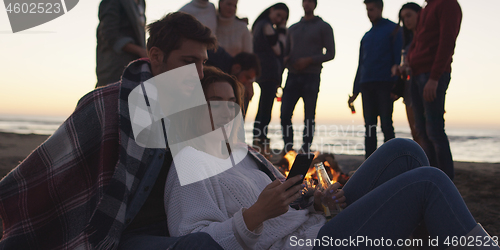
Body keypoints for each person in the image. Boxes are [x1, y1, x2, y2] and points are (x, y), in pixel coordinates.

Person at [164, 67, 498, 250]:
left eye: (231, 102)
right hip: (308, 245)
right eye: (214, 101)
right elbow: (193, 241)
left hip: (316, 224)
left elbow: (288, 205)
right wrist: (253, 216)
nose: (226, 110)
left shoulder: (243, 154)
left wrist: (316, 199)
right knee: (429, 181)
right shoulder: (189, 166)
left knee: (405, 151)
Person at [0, 12, 223, 250]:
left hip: (176, 224)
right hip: (117, 232)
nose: (199, 74)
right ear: (156, 56)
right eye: (189, 62)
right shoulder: (107, 105)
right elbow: (46, 171)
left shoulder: (191, 110)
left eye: (203, 63)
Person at [407, 0, 462, 180]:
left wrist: (434, 78)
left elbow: (447, 42)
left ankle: (446, 181)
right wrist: (408, 61)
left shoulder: (448, 4)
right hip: (416, 75)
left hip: (431, 75)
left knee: (435, 130)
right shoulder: (426, 9)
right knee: (421, 131)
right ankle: (432, 177)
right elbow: (417, 40)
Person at [348, 0, 403, 159]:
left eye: (371, 9)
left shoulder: (393, 30)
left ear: (380, 9)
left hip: (385, 83)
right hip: (366, 84)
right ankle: (369, 163)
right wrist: (354, 91)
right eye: (367, 9)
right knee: (369, 127)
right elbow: (361, 65)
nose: (369, 13)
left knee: (386, 124)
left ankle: (392, 161)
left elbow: (398, 59)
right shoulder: (366, 36)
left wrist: (397, 86)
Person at [280, 0, 335, 154]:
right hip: (292, 75)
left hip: (312, 76)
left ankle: (305, 150)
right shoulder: (293, 28)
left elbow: (331, 53)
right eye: (304, 1)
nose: (307, 4)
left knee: (309, 116)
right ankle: (288, 150)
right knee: (284, 114)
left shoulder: (324, 27)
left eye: (310, 1)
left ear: (315, 4)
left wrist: (309, 60)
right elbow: (286, 54)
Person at [251, 3, 289, 152]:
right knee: (265, 110)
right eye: (279, 15)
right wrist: (283, 29)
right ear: (271, 10)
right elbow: (279, 49)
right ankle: (260, 141)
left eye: (283, 18)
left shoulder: (260, 25)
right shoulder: (266, 25)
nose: (279, 20)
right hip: (268, 72)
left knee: (263, 108)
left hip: (264, 72)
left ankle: (258, 140)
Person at [95, 0, 147, 88]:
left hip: (135, 70)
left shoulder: (141, 2)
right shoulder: (112, 2)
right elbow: (109, 35)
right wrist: (140, 51)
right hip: (114, 70)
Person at [392, 2, 422, 145]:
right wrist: (399, 69)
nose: (406, 20)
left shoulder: (425, 38)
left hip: (422, 88)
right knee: (415, 132)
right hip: (409, 90)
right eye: (403, 18)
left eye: (409, 15)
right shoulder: (407, 41)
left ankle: (434, 166)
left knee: (428, 132)